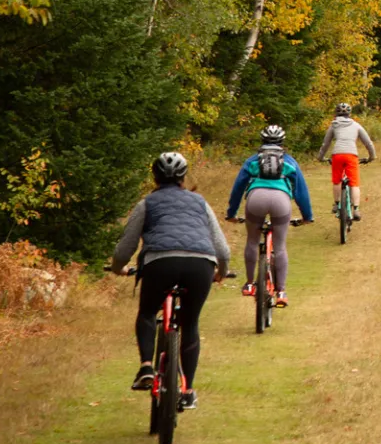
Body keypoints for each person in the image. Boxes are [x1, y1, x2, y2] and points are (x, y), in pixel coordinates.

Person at [109, 151, 229, 409]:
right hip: (201, 264)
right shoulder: (200, 202)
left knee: (147, 313)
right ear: (183, 178)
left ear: (155, 177)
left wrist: (118, 268)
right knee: (190, 322)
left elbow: (124, 248)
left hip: (160, 263)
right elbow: (223, 248)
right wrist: (221, 271)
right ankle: (188, 391)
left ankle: (146, 368)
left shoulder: (147, 204)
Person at [226, 123, 313, 307]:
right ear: (282, 142)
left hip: (256, 199)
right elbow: (301, 191)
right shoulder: (289, 161)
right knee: (280, 247)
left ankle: (250, 284)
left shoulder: (252, 161)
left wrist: (232, 213)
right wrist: (307, 216)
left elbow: (238, 188)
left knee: (252, 240)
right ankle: (281, 291)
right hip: (281, 201)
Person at [316, 102, 376, 220]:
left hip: (337, 155)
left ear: (336, 113)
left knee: (337, 180)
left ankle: (337, 204)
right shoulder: (356, 125)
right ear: (350, 113)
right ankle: (357, 210)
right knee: (354, 183)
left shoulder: (334, 125)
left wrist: (321, 157)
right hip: (351, 155)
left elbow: (326, 143)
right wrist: (371, 157)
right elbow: (368, 143)